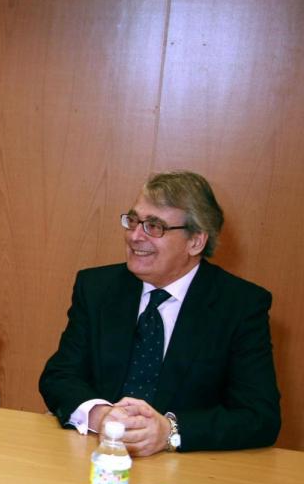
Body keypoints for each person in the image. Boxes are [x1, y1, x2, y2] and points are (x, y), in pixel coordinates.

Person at [39, 170, 280, 456]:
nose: (135, 236)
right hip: (97, 457)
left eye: (155, 226)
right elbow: (59, 376)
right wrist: (101, 416)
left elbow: (260, 417)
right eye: (133, 221)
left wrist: (170, 432)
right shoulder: (97, 288)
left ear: (195, 242)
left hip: (191, 476)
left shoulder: (240, 305)